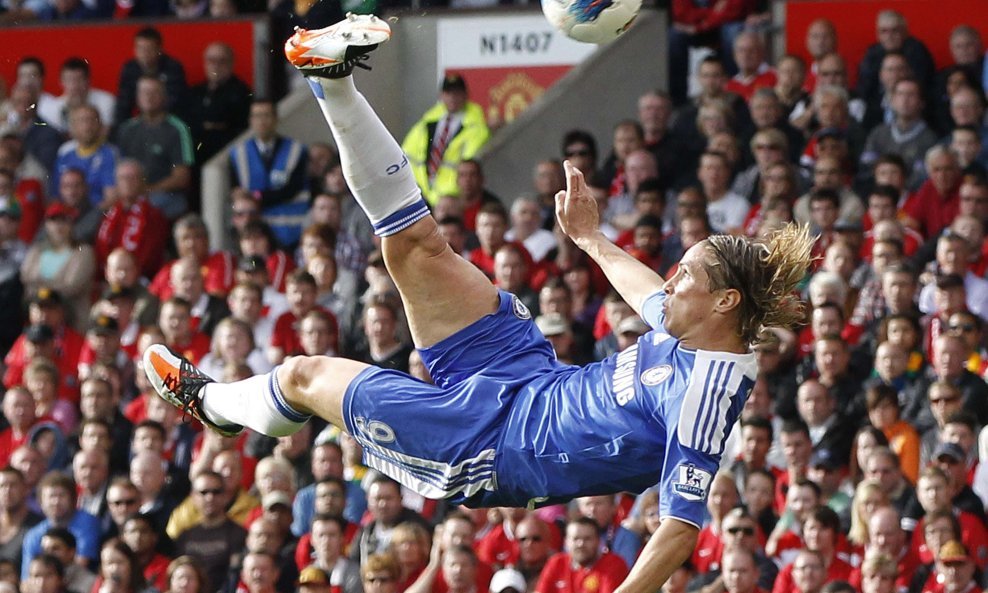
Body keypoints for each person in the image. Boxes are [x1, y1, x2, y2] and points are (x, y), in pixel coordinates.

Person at [145, 16, 815, 593]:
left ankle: (215, 406)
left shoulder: (709, 390)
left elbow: (678, 528)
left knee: (301, 375)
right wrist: (589, 238)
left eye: (687, 272)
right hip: (529, 373)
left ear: (724, 299)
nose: (672, 277)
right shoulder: (697, 323)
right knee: (415, 245)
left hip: (492, 445)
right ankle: (332, 77)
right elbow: (650, 296)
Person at [400, 73, 490, 205]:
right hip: (421, 194)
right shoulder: (426, 123)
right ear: (441, 96)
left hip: (454, 197)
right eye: (448, 93)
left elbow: (469, 167)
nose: (452, 97)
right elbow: (406, 156)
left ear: (465, 95)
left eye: (457, 93)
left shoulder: (476, 127)